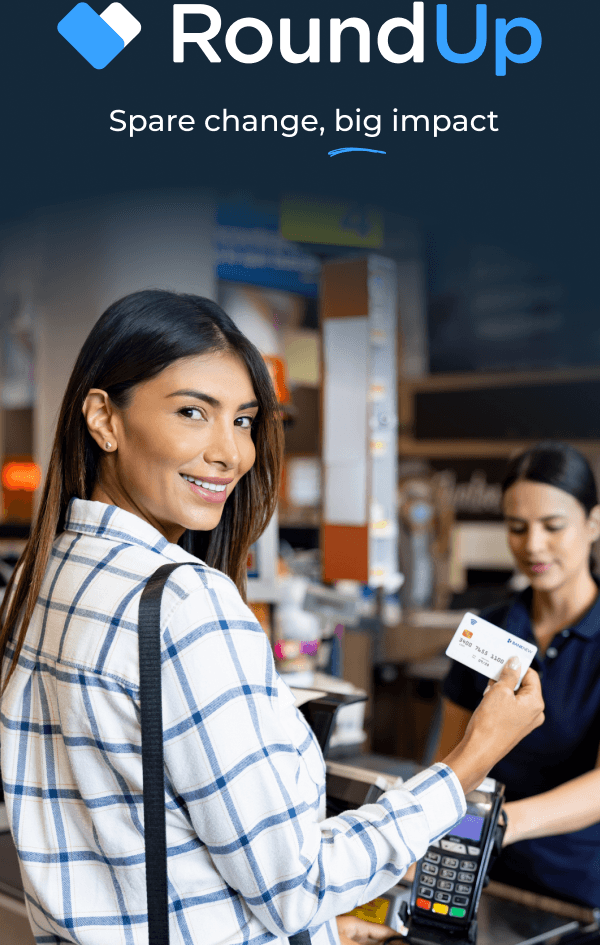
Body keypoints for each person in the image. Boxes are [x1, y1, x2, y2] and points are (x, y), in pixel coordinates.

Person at [0, 290, 544, 945]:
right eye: (192, 412)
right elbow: (298, 884)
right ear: (103, 419)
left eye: (244, 420)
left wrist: (320, 927)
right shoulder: (184, 606)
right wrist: (475, 755)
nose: (231, 452)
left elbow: (134, 841)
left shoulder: (40, 576)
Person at [437, 441, 600, 909]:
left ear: (592, 524)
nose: (532, 546)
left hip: (576, 888)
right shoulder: (486, 631)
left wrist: (503, 823)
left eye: (553, 527)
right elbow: (454, 759)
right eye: (517, 527)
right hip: (479, 874)